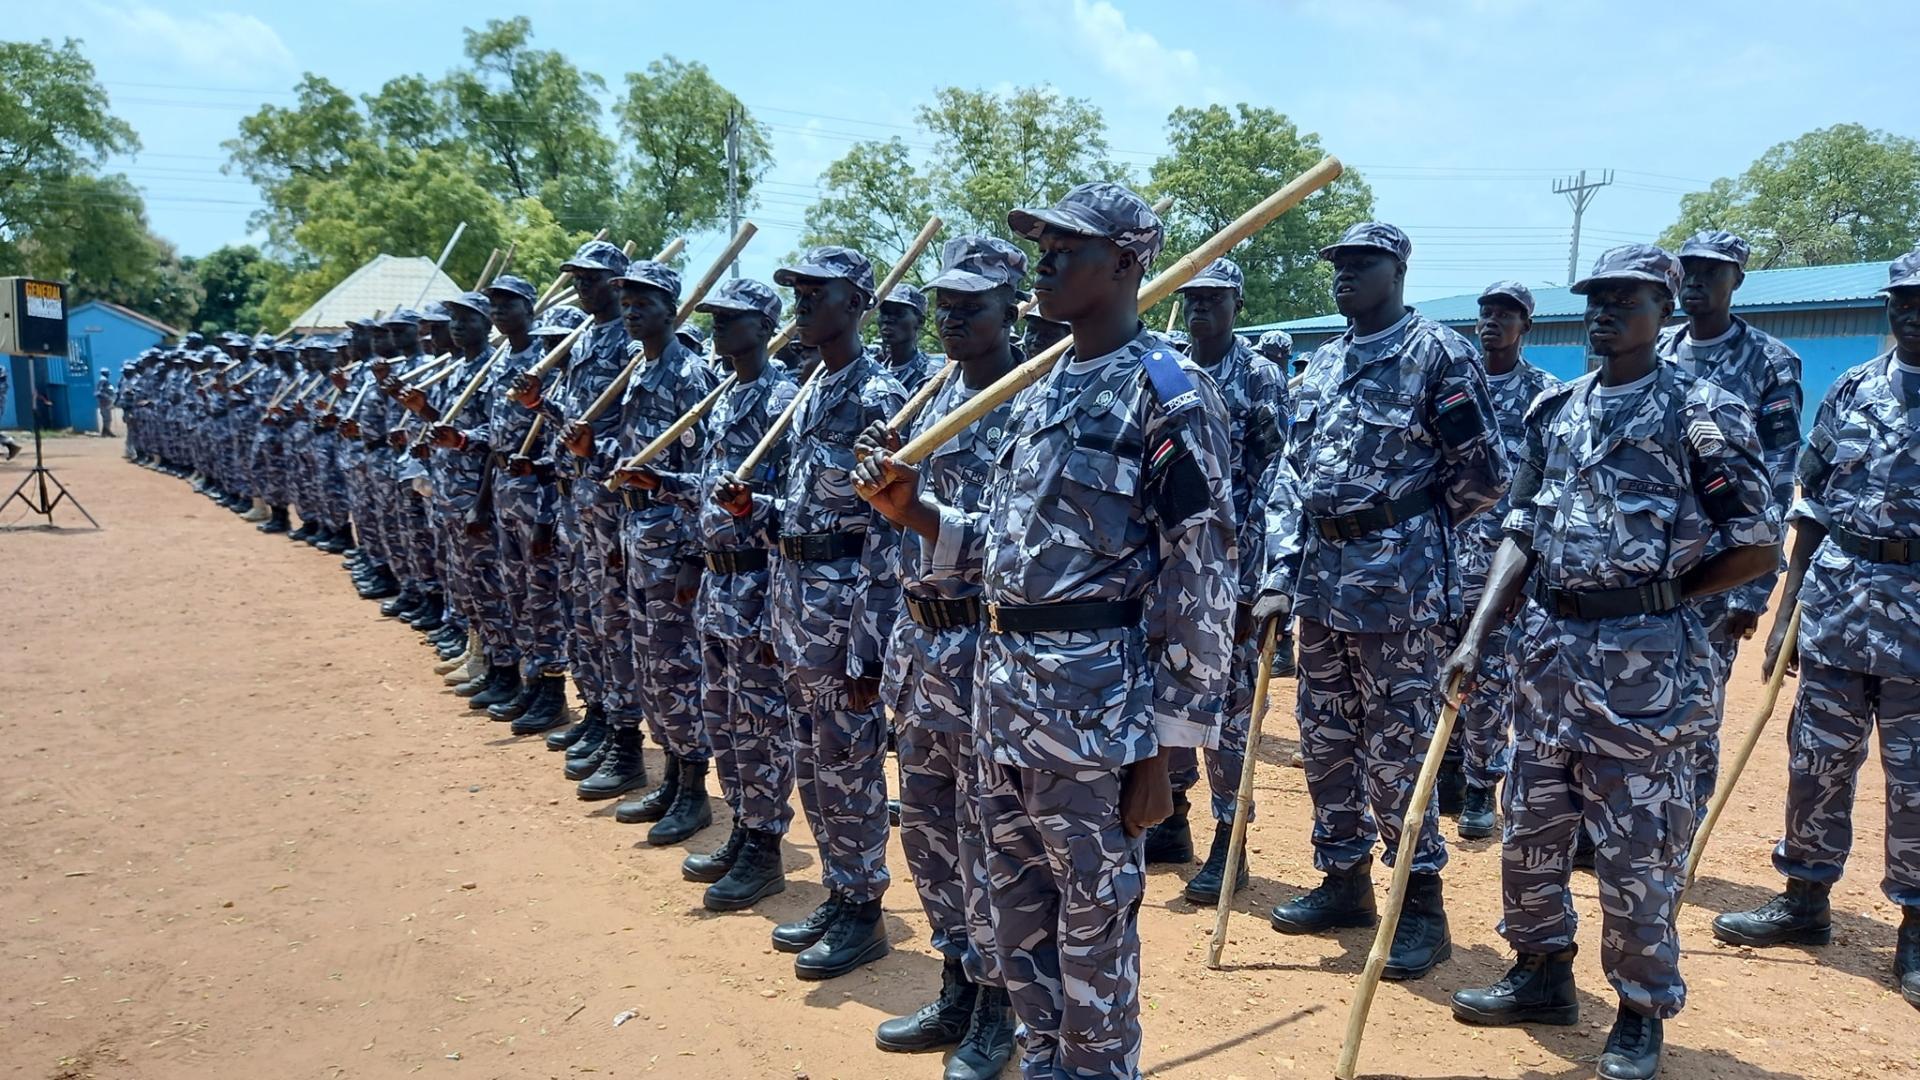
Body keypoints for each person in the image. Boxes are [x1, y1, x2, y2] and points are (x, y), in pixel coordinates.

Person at [868, 182, 1232, 1077]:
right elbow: (1011, 548)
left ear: (1126, 262)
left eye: (1067, 248)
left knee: (1094, 939)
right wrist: (918, 516)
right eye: (1042, 247)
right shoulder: (1038, 390)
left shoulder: (1171, 394)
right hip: (1002, 708)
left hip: (1096, 722)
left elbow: (1202, 577)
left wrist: (1166, 750)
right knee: (1016, 930)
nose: (1047, 262)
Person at [1441, 244, 1782, 1080]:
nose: (1603, 311)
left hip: (1647, 676)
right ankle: (1540, 972)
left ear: (1663, 309)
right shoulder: (1554, 410)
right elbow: (1519, 527)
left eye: (1623, 299)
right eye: (1594, 298)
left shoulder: (1701, 411)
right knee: (1530, 833)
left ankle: (1638, 1010)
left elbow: (1756, 543)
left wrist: (1672, 596)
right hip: (1548, 661)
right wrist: (1479, 632)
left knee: (1638, 851)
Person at [1253, 221, 1507, 982]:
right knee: (1326, 742)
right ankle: (1344, 881)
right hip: (1321, 587)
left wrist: (1407, 529)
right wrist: (1276, 575)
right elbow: (1290, 481)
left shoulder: (1438, 353)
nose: (1344, 276)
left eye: (1361, 264)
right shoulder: (1322, 366)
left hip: (1398, 589)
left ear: (1398, 269)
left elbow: (1482, 477)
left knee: (1399, 751)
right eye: (1337, 265)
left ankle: (1419, 902)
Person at [1710, 249, 1920, 1011]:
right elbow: (1813, 506)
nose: (1912, 312)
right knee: (1816, 764)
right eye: (1902, 300)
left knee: (1917, 781)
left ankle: (1915, 927)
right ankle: (1804, 898)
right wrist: (1787, 610)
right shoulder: (1853, 389)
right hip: (1840, 602)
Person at [852, 235, 1029, 1078]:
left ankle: (1001, 1006)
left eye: (973, 305)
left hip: (988, 650)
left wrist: (923, 519)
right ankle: (958, 977)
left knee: (989, 837)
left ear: (1013, 311)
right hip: (920, 645)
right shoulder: (927, 399)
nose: (953, 317)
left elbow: (1036, 551)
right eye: (944, 305)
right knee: (926, 830)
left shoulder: (1030, 403)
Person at [713, 245, 906, 981]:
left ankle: (864, 909)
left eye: (816, 293)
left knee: (847, 761)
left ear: (856, 303)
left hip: (841, 613)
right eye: (795, 292)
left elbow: (886, 529)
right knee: (809, 760)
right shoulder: (810, 390)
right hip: (792, 604)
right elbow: (799, 513)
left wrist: (868, 644)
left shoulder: (877, 396)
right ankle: (839, 887)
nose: (800, 304)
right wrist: (751, 508)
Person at [645, 278, 797, 908]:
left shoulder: (780, 398)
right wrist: (665, 481)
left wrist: (752, 508)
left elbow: (797, 510)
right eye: (715, 317)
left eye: (731, 318)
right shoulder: (729, 394)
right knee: (726, 719)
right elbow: (715, 486)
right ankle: (742, 825)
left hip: (758, 582)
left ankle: (765, 845)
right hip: (717, 581)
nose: (717, 327)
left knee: (762, 724)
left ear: (764, 327)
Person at [1150, 257, 1289, 906]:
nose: (1201, 308)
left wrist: (1254, 583)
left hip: (1229, 570)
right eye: (1192, 298)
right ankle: (1171, 820)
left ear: (1236, 302)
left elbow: (1271, 482)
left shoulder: (1260, 376)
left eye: (1213, 298)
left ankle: (1229, 842)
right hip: (1169, 567)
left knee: (1229, 715)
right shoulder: (1169, 368)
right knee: (1167, 694)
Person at [1657, 229, 1802, 820]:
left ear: (1736, 280)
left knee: (1693, 705)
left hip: (1719, 569)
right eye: (1687, 269)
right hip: (1646, 559)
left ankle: (1680, 829)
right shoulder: (1656, 349)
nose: (1695, 279)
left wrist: (1753, 587)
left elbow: (1779, 473)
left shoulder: (1770, 362)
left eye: (1711, 271)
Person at [599, 261, 720, 842]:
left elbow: (702, 480)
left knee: (677, 670)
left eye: (644, 301)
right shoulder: (640, 369)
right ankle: (672, 772)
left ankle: (694, 788)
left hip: (674, 549)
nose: (632, 309)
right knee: (651, 670)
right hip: (640, 541)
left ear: (672, 308)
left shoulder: (688, 376)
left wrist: (695, 559)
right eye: (626, 300)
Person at [1441, 281, 1561, 841]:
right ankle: (1442, 768)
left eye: (1505, 315)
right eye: (1485, 313)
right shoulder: (1452, 386)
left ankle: (1479, 783)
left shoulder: (1546, 397)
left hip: (1502, 564)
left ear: (1525, 327)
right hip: (1437, 557)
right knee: (1433, 667)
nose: (1492, 322)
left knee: (1489, 678)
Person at [876, 283, 941, 394]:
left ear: (920, 321)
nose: (888, 319)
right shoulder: (873, 372)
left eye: (899, 313)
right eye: (884, 312)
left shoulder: (933, 373)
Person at [95, 369, 116, 438]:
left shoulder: (105, 381)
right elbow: (98, 392)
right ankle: (107, 432)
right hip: (104, 402)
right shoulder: (102, 381)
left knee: (107, 418)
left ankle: (105, 432)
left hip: (106, 402)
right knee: (107, 417)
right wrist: (107, 397)